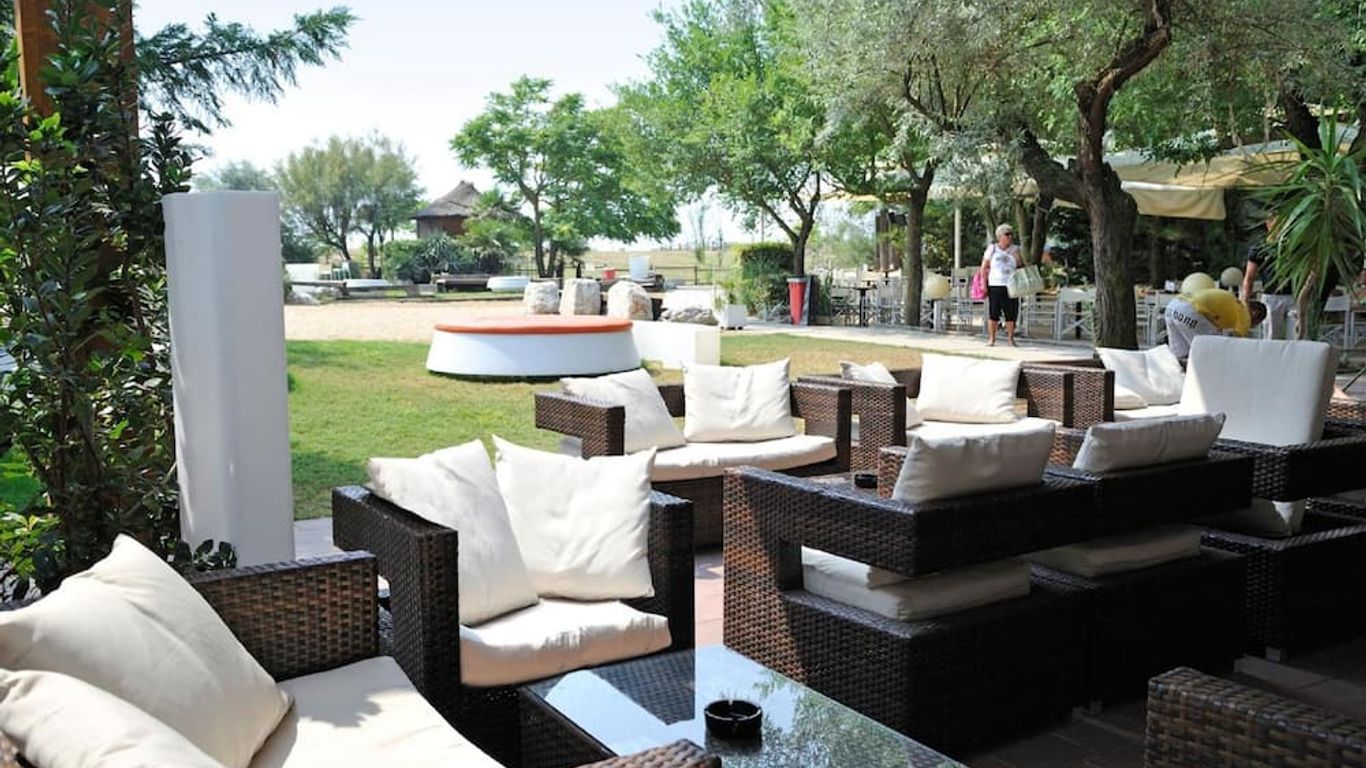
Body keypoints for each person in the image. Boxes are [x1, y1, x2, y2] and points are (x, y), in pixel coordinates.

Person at [1165, 288, 1265, 361]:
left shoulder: (1235, 304)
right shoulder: (1245, 315)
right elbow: (1235, 345)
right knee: (1210, 350)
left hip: (1173, 306)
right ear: (1255, 313)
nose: (1253, 327)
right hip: (1190, 310)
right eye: (1257, 322)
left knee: (1180, 356)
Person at [1242, 218, 1294, 339]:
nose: (1281, 227)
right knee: (1271, 337)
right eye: (1278, 223)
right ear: (1269, 224)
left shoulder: (1293, 246)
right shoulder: (1259, 249)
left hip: (1293, 296)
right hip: (1271, 297)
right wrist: (1245, 302)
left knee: (1295, 336)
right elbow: (1249, 278)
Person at [979, 223, 1024, 346]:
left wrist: (1017, 258)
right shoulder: (992, 249)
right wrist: (983, 283)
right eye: (1007, 234)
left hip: (1011, 285)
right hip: (995, 284)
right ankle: (992, 339)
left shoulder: (1016, 249)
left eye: (1011, 234)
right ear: (1000, 236)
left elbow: (1021, 267)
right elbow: (984, 267)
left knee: (1011, 313)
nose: (1010, 237)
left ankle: (1010, 339)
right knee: (994, 312)